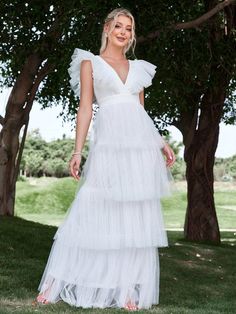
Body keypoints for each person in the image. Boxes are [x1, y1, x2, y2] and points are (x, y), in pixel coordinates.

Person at [35, 7, 175, 311]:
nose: (124, 33)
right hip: (109, 146)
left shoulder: (138, 68)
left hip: (137, 150)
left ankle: (126, 289)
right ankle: (54, 282)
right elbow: (85, 108)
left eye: (129, 28)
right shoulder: (91, 63)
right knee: (90, 205)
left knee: (132, 219)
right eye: (119, 27)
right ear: (108, 28)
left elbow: (141, 113)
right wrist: (77, 150)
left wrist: (160, 142)